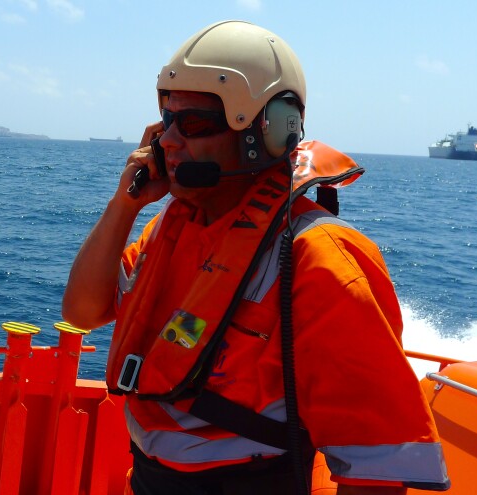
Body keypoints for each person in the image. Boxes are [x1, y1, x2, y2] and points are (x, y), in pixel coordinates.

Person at [61, 20, 449, 495]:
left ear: (268, 132)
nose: (167, 141)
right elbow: (82, 312)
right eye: (166, 121)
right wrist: (126, 203)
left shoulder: (319, 259)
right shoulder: (173, 227)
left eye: (195, 123)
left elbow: (377, 465)